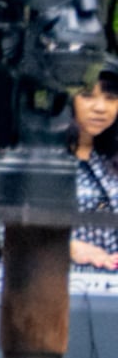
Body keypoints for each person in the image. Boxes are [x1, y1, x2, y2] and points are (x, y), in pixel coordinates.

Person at [71, 71, 118, 271]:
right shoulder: (38, 156)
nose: (100, 108)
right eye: (87, 95)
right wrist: (69, 247)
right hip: (56, 279)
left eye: (111, 98)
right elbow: (11, 231)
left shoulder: (111, 157)